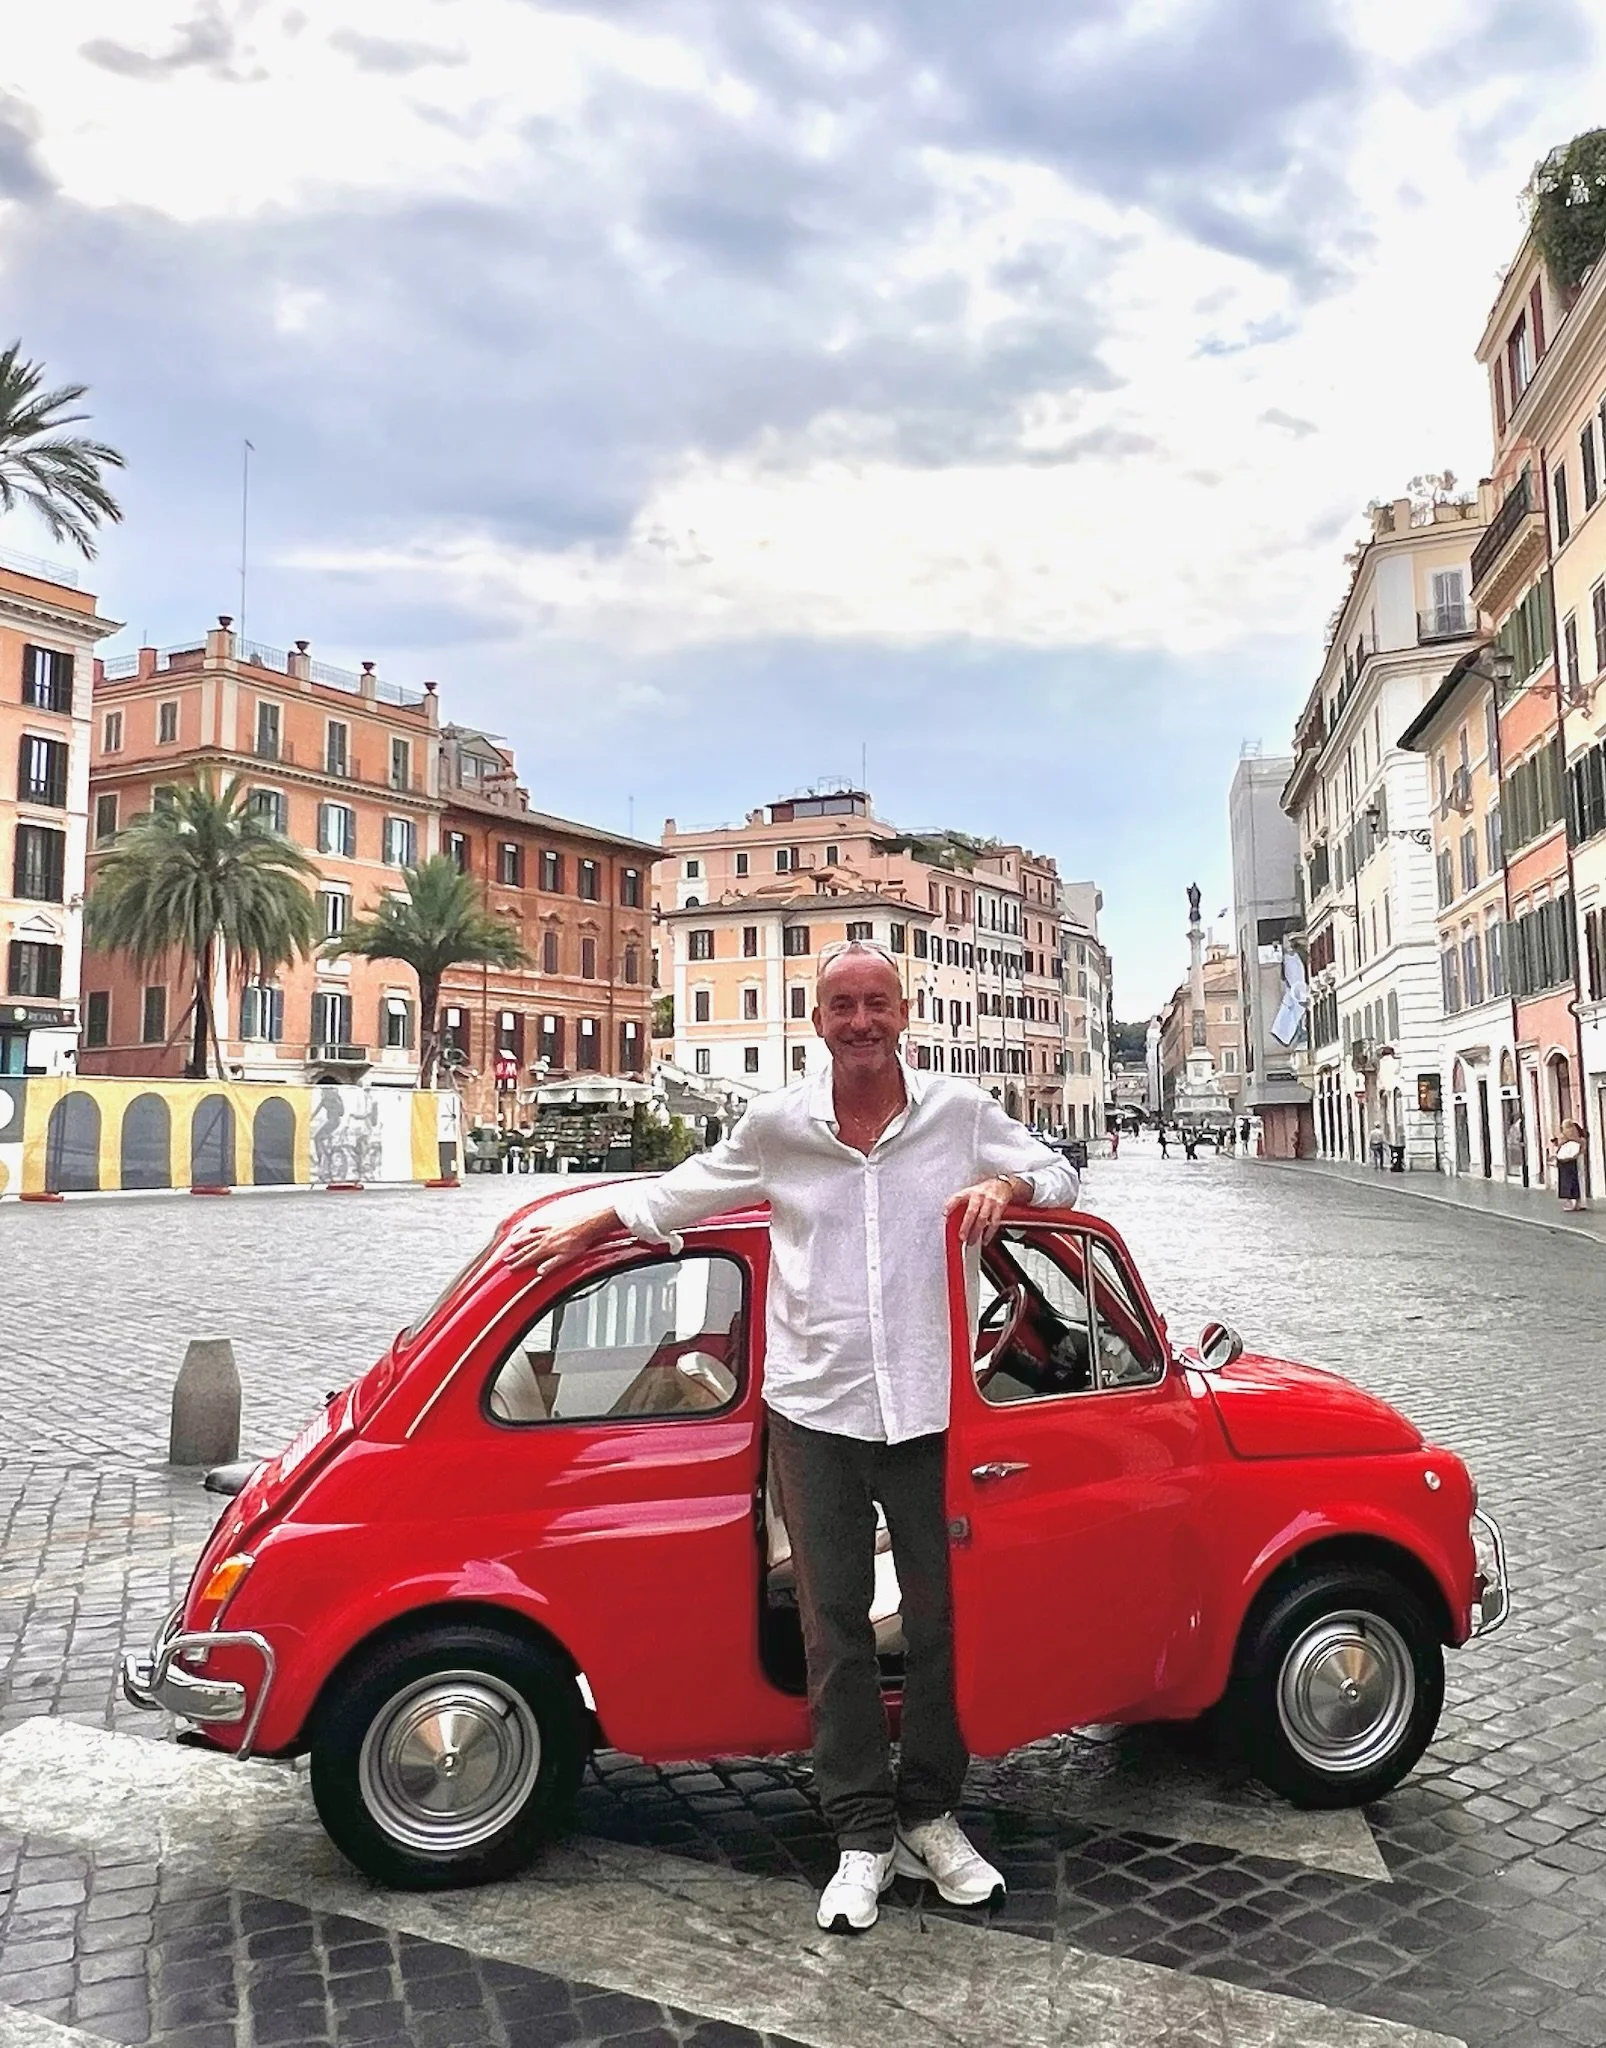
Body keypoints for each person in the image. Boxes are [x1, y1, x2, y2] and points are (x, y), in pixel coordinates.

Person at [508, 939, 1078, 1934]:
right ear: (818, 1023)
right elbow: (682, 1192)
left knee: (942, 1624)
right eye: (841, 1005)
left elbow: (1056, 1172)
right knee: (837, 1627)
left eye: (877, 1002)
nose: (860, 1020)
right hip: (814, 1406)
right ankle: (861, 1831)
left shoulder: (956, 1114)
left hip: (928, 1404)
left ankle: (931, 1812)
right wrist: (594, 1218)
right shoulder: (777, 1125)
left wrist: (1010, 1192)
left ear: (905, 1012)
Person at [1556, 1119, 1587, 1212]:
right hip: (1577, 1158)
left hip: (1569, 1161)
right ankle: (1581, 1202)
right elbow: (1583, 1147)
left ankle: (1573, 1202)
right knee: (1579, 1180)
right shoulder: (1579, 1137)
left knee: (1571, 1181)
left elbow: (1560, 1147)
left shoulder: (1564, 1136)